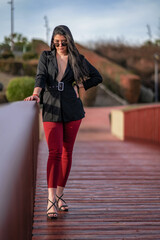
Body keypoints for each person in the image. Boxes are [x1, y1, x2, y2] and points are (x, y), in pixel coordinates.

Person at [24, 25, 102, 219]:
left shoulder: (78, 59)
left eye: (63, 42)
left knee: (67, 152)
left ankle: (60, 196)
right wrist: (35, 94)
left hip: (72, 109)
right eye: (56, 42)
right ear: (52, 41)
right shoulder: (46, 57)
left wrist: (81, 84)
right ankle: (50, 200)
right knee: (54, 152)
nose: (59, 45)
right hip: (50, 108)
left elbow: (97, 76)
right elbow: (41, 76)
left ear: (69, 41)